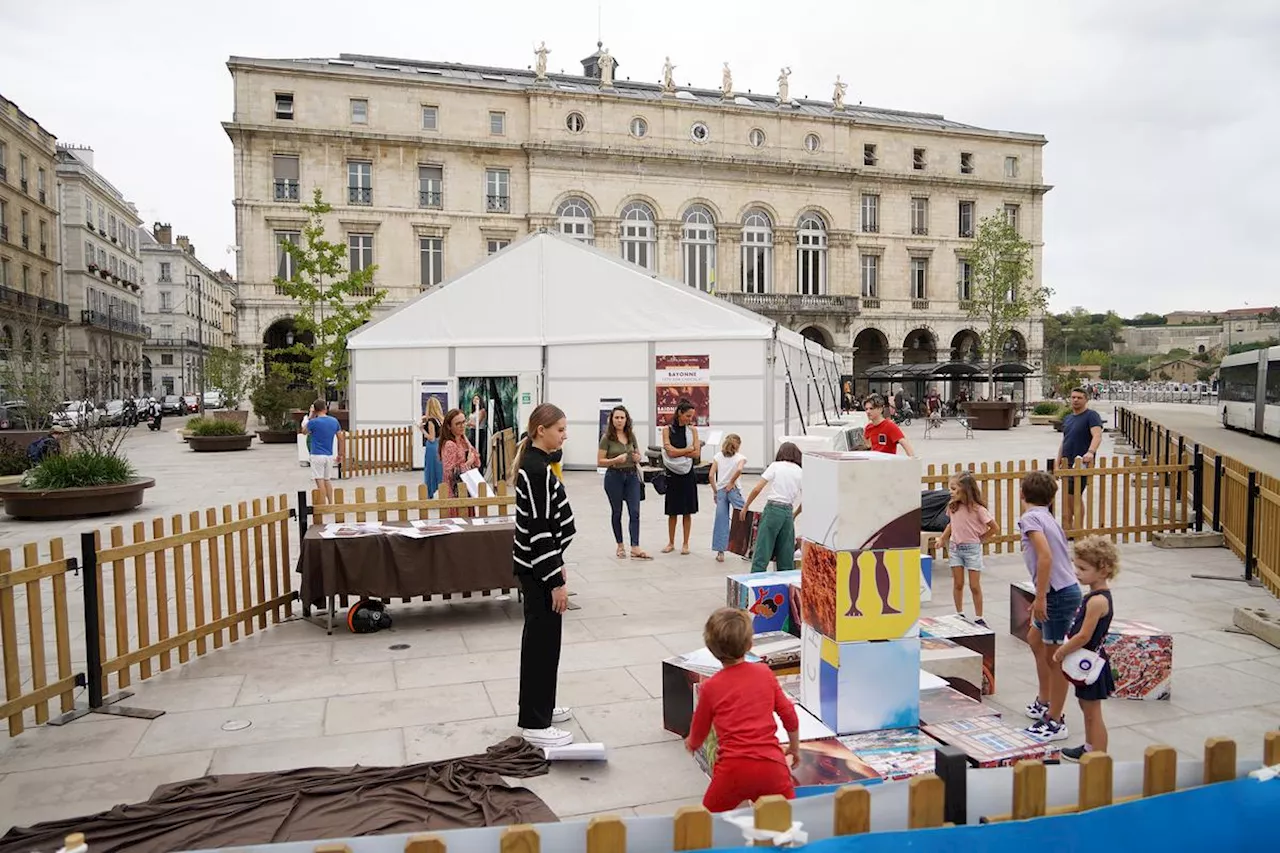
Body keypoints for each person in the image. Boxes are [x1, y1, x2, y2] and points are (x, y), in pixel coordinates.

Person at [685, 608, 799, 812]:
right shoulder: (764, 673)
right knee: (785, 820)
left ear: (710, 649)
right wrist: (794, 748)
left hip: (732, 770)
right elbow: (789, 714)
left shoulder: (710, 687)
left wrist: (692, 743)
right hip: (771, 766)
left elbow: (700, 727)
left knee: (707, 820)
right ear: (749, 645)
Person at [511, 403, 577, 748]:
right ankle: (534, 722)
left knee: (547, 644)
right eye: (560, 429)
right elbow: (539, 531)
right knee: (540, 644)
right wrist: (555, 580)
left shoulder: (540, 464)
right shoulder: (535, 470)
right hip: (538, 571)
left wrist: (558, 562)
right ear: (541, 431)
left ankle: (542, 706)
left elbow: (550, 528)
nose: (565, 435)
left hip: (542, 565)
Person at [1018, 471, 1083, 743]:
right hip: (1058, 591)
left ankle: (1055, 720)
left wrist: (1041, 596)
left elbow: (1045, 557)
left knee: (1055, 658)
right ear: (1053, 496)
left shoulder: (1030, 518)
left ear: (1022, 494)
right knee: (1035, 639)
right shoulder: (1047, 517)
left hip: (1057, 594)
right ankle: (1045, 700)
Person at [1054, 536, 1119, 762]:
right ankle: (1090, 748)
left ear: (1103, 570)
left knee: (1093, 714)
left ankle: (1098, 756)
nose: (1077, 572)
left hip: (1091, 662)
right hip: (1088, 659)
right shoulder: (1093, 596)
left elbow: (1084, 635)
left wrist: (1062, 651)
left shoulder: (1098, 601)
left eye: (1083, 568)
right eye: (1076, 566)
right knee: (1086, 709)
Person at [937, 472, 999, 625]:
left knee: (974, 585)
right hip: (955, 548)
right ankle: (959, 613)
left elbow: (994, 527)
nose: (950, 492)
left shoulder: (978, 509)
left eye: (953, 488)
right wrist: (942, 539)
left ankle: (979, 617)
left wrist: (981, 539)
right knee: (958, 583)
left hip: (972, 549)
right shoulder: (952, 507)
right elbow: (951, 524)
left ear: (965, 489)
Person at [739, 442, 803, 574]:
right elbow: (807, 500)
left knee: (763, 550)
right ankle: (785, 588)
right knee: (786, 556)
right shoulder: (800, 471)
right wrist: (794, 514)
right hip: (787, 513)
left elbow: (758, 488)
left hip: (773, 509)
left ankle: (756, 585)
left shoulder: (775, 466)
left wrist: (746, 505)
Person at [598, 405, 650, 560]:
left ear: (626, 420)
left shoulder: (630, 435)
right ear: (612, 420)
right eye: (616, 418)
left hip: (632, 475)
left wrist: (637, 458)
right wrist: (614, 460)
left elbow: (638, 454)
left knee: (634, 511)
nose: (619, 421)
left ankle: (635, 546)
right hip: (614, 476)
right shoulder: (606, 438)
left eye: (622, 418)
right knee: (617, 512)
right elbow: (600, 461)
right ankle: (620, 545)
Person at [1058, 387, 1104, 535]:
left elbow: (1097, 435)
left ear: (1086, 399)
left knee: (1075, 495)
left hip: (1081, 462)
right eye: (1073, 397)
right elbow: (1064, 440)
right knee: (1067, 497)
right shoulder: (1068, 418)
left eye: (1079, 397)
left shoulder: (1091, 416)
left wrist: (1090, 452)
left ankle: (1077, 528)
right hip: (1067, 462)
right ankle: (1068, 527)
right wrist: (1058, 460)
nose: (1075, 400)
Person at [661, 400, 701, 555]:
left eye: (691, 416)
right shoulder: (667, 430)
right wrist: (687, 450)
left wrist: (679, 451)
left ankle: (685, 543)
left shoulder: (693, 431)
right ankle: (671, 542)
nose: (689, 419)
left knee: (687, 510)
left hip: (688, 473)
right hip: (672, 474)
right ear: (679, 413)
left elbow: (696, 453)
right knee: (672, 511)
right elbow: (669, 452)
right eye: (687, 415)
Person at [709, 434, 746, 563]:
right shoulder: (740, 457)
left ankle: (720, 551)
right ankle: (747, 549)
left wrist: (715, 491)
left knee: (721, 520)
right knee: (744, 516)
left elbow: (711, 475)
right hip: (733, 489)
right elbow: (740, 469)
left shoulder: (718, 456)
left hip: (720, 491)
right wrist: (732, 482)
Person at [440, 407, 482, 517]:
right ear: (449, 427)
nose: (462, 425)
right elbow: (449, 473)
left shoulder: (463, 441)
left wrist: (467, 443)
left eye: (463, 422)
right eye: (458, 423)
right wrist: (468, 464)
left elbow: (477, 462)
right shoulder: (449, 444)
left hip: (466, 490)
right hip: (455, 493)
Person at [303, 400, 342, 506]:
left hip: (316, 454)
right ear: (325, 408)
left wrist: (311, 416)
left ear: (315, 410)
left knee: (319, 480)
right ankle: (330, 503)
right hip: (329, 454)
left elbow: (304, 431)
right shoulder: (334, 421)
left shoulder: (313, 422)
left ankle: (322, 504)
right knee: (327, 479)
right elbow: (340, 438)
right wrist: (340, 454)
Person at [418, 397, 445, 498]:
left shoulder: (431, 421)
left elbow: (431, 438)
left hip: (432, 447)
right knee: (439, 469)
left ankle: (430, 491)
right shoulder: (441, 419)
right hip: (439, 445)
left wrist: (422, 430)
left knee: (430, 470)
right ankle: (442, 490)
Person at [468, 394, 489, 473]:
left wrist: (469, 423)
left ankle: (480, 470)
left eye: (477, 399)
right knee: (471, 450)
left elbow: (477, 423)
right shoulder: (473, 411)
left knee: (478, 451)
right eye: (474, 399)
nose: (475, 400)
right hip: (472, 431)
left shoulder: (482, 411)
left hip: (479, 432)